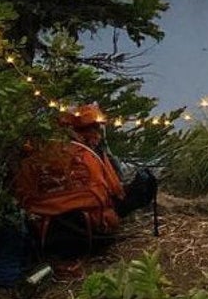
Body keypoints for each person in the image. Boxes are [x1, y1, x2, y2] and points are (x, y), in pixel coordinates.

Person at [12, 102, 158, 257]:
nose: (99, 136)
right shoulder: (91, 156)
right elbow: (115, 192)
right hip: (91, 237)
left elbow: (22, 194)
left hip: (44, 236)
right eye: (97, 130)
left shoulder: (36, 153)